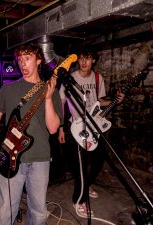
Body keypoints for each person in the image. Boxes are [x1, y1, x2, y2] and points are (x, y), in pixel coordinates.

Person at [0, 42, 62, 225]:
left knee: (38, 212)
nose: (22, 64)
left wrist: (47, 99)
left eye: (27, 58)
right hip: (9, 157)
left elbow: (53, 128)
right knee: (6, 210)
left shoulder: (50, 89)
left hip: (40, 158)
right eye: (20, 59)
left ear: (38, 60)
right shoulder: (8, 89)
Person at [58, 48, 125, 217]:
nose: (84, 62)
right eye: (81, 58)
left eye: (88, 58)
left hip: (94, 126)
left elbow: (100, 101)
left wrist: (115, 100)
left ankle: (87, 185)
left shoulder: (97, 78)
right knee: (81, 166)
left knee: (98, 160)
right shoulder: (70, 78)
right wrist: (61, 127)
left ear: (93, 60)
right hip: (77, 127)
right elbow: (61, 103)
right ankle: (78, 200)